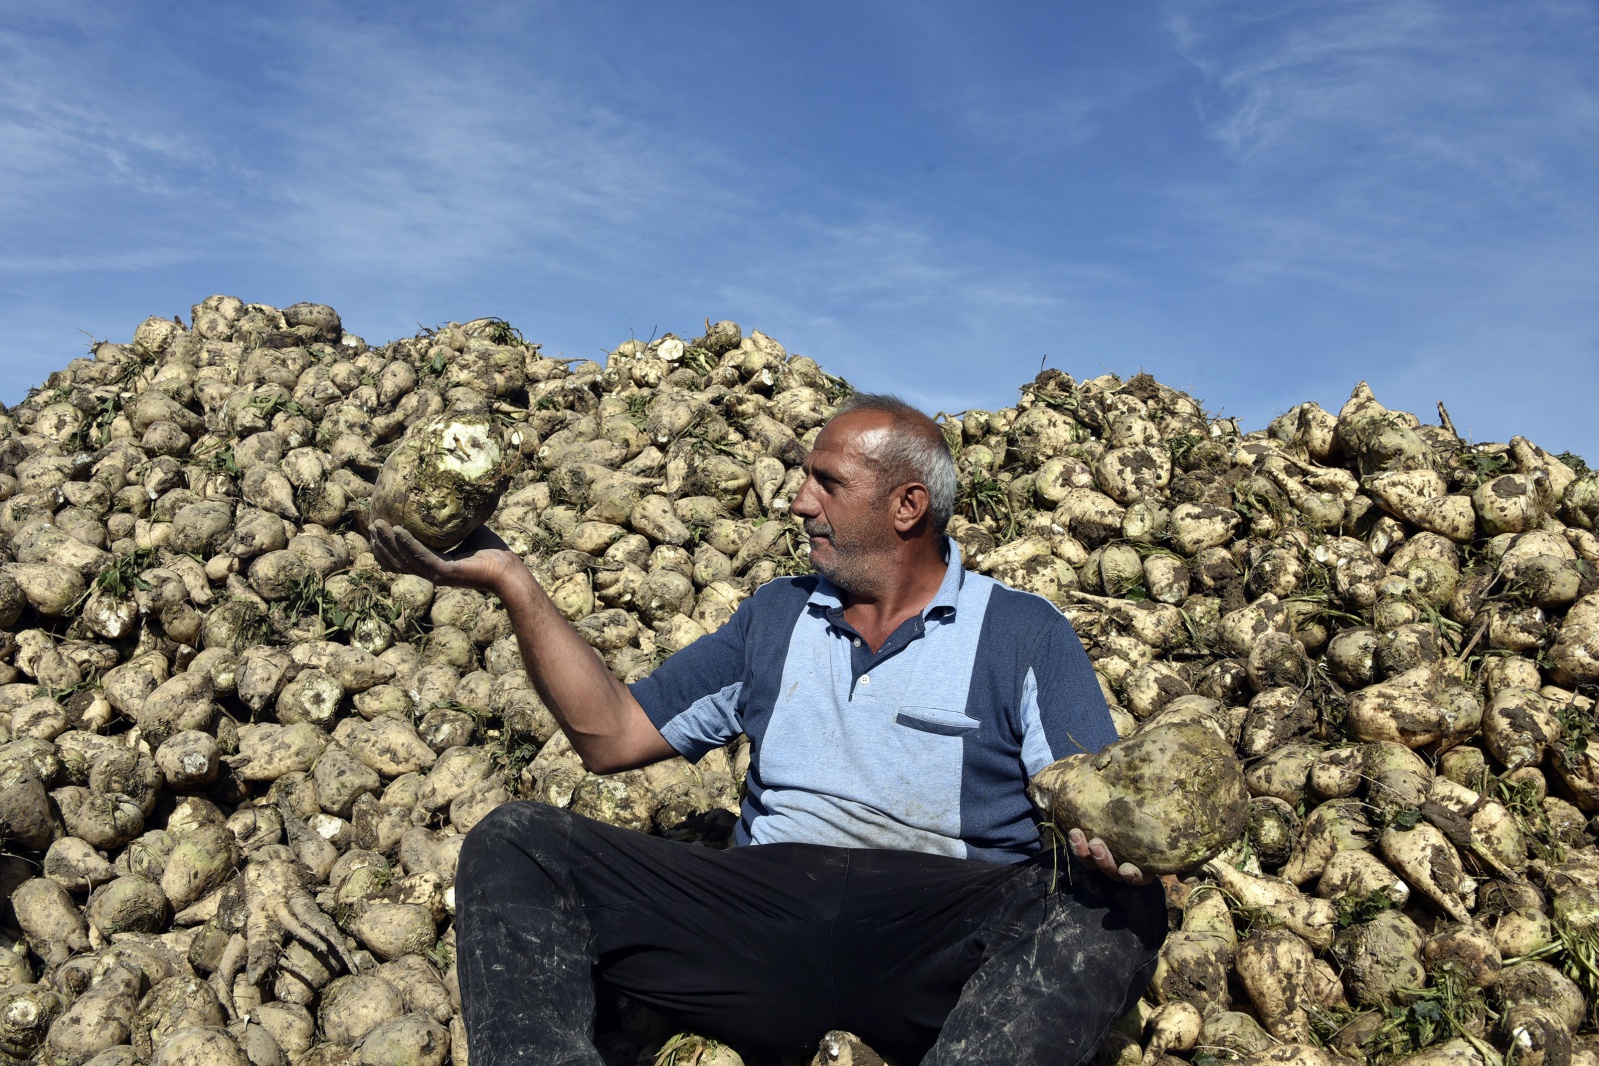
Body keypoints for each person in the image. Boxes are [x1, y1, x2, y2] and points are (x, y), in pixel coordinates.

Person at [369, 393, 1167, 1066]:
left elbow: (1097, 802)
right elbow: (610, 736)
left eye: (826, 481)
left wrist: (1119, 853)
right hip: (758, 918)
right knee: (516, 842)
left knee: (1115, 909)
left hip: (932, 936)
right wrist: (512, 581)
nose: (798, 500)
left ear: (906, 506)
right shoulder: (778, 616)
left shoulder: (1020, 633)